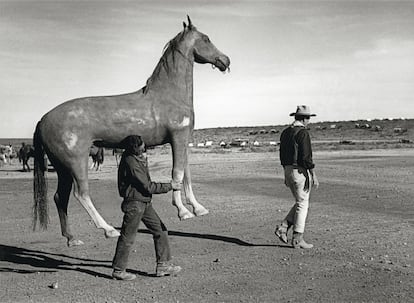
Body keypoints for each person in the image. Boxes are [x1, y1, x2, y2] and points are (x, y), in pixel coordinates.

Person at [112, 135, 182, 280]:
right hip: (135, 204)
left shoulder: (136, 158)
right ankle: (118, 270)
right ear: (135, 148)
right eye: (141, 147)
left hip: (143, 202)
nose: (144, 148)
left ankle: (163, 265)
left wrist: (144, 160)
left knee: (161, 230)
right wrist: (170, 186)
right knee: (128, 237)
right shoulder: (131, 163)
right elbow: (148, 186)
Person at [275, 105, 319, 249]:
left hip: (287, 170)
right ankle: (297, 238)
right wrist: (313, 174)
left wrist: (285, 174)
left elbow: (282, 156)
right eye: (308, 118)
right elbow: (306, 157)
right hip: (298, 171)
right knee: (302, 204)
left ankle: (284, 227)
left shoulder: (285, 132)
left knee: (300, 201)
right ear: (305, 119)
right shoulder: (303, 133)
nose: (309, 121)